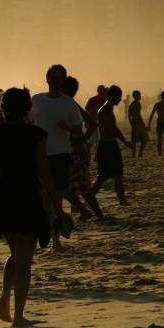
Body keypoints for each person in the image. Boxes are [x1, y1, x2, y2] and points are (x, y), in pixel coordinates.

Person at [0, 88, 64, 327]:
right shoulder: (36, 134)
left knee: (16, 254)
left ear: (3, 108)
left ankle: (4, 299)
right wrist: (57, 208)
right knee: (24, 261)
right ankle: (18, 315)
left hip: (4, 197)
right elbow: (44, 172)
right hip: (28, 197)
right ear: (27, 108)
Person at [31, 64, 82, 251]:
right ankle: (47, 234)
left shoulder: (68, 103)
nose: (55, 81)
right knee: (43, 199)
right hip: (39, 154)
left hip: (61, 154)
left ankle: (56, 240)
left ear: (63, 81)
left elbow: (79, 129)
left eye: (59, 78)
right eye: (53, 78)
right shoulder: (36, 100)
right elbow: (27, 121)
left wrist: (66, 128)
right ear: (47, 79)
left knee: (57, 199)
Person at [60, 76, 104, 220]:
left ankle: (86, 211)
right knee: (83, 188)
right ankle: (96, 214)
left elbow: (92, 124)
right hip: (76, 152)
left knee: (65, 187)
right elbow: (92, 124)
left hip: (75, 153)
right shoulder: (70, 104)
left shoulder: (70, 104)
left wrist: (80, 140)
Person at [91, 85, 130, 205]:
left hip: (109, 144)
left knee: (117, 174)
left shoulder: (107, 109)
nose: (120, 100)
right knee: (102, 178)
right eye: (119, 97)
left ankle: (122, 200)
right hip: (107, 146)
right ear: (115, 97)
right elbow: (113, 129)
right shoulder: (105, 110)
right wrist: (125, 141)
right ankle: (89, 198)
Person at [127, 91, 149, 157]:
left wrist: (131, 122)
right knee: (142, 139)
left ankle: (136, 154)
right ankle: (138, 154)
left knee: (137, 140)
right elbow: (135, 114)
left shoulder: (134, 103)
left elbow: (129, 114)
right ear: (136, 96)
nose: (140, 96)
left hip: (135, 122)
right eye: (139, 95)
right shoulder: (135, 104)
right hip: (137, 123)